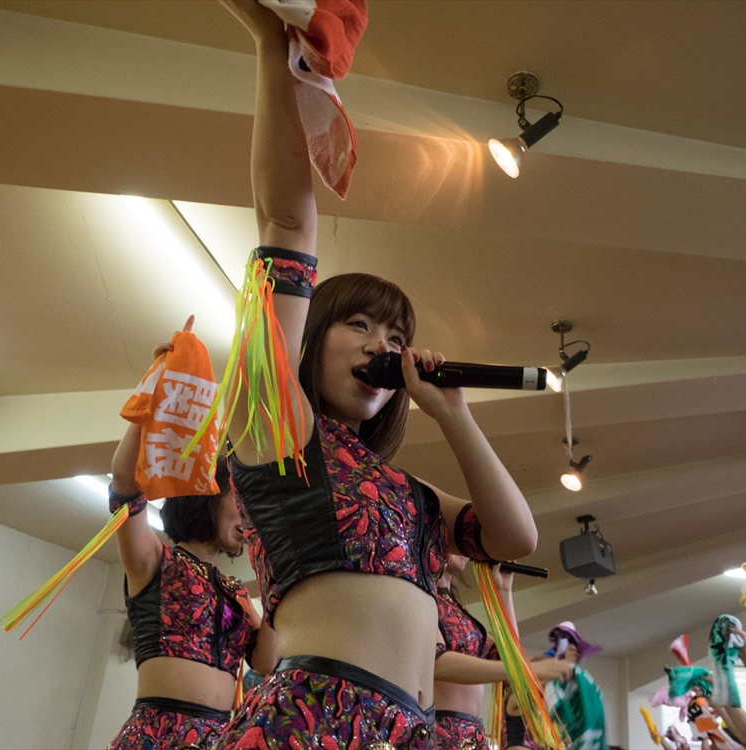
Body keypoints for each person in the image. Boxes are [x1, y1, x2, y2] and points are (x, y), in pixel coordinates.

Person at [214, 1, 539, 746]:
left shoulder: (402, 488)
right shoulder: (281, 436)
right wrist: (269, 45)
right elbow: (286, 224)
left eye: (396, 336)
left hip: (410, 731)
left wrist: (453, 414)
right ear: (313, 338)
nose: (381, 345)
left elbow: (513, 538)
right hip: (317, 719)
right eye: (358, 325)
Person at [107, 319, 265, 750]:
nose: (248, 518)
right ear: (209, 495)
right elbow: (125, 486)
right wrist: (157, 391)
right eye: (241, 502)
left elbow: (269, 659)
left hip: (219, 740)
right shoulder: (155, 561)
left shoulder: (237, 592)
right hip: (156, 737)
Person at [433, 555, 571, 750]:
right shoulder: (425, 599)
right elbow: (438, 662)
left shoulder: (458, 609)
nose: (466, 551)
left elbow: (508, 656)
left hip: (474, 735)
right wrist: (527, 669)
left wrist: (504, 590)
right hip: (440, 734)